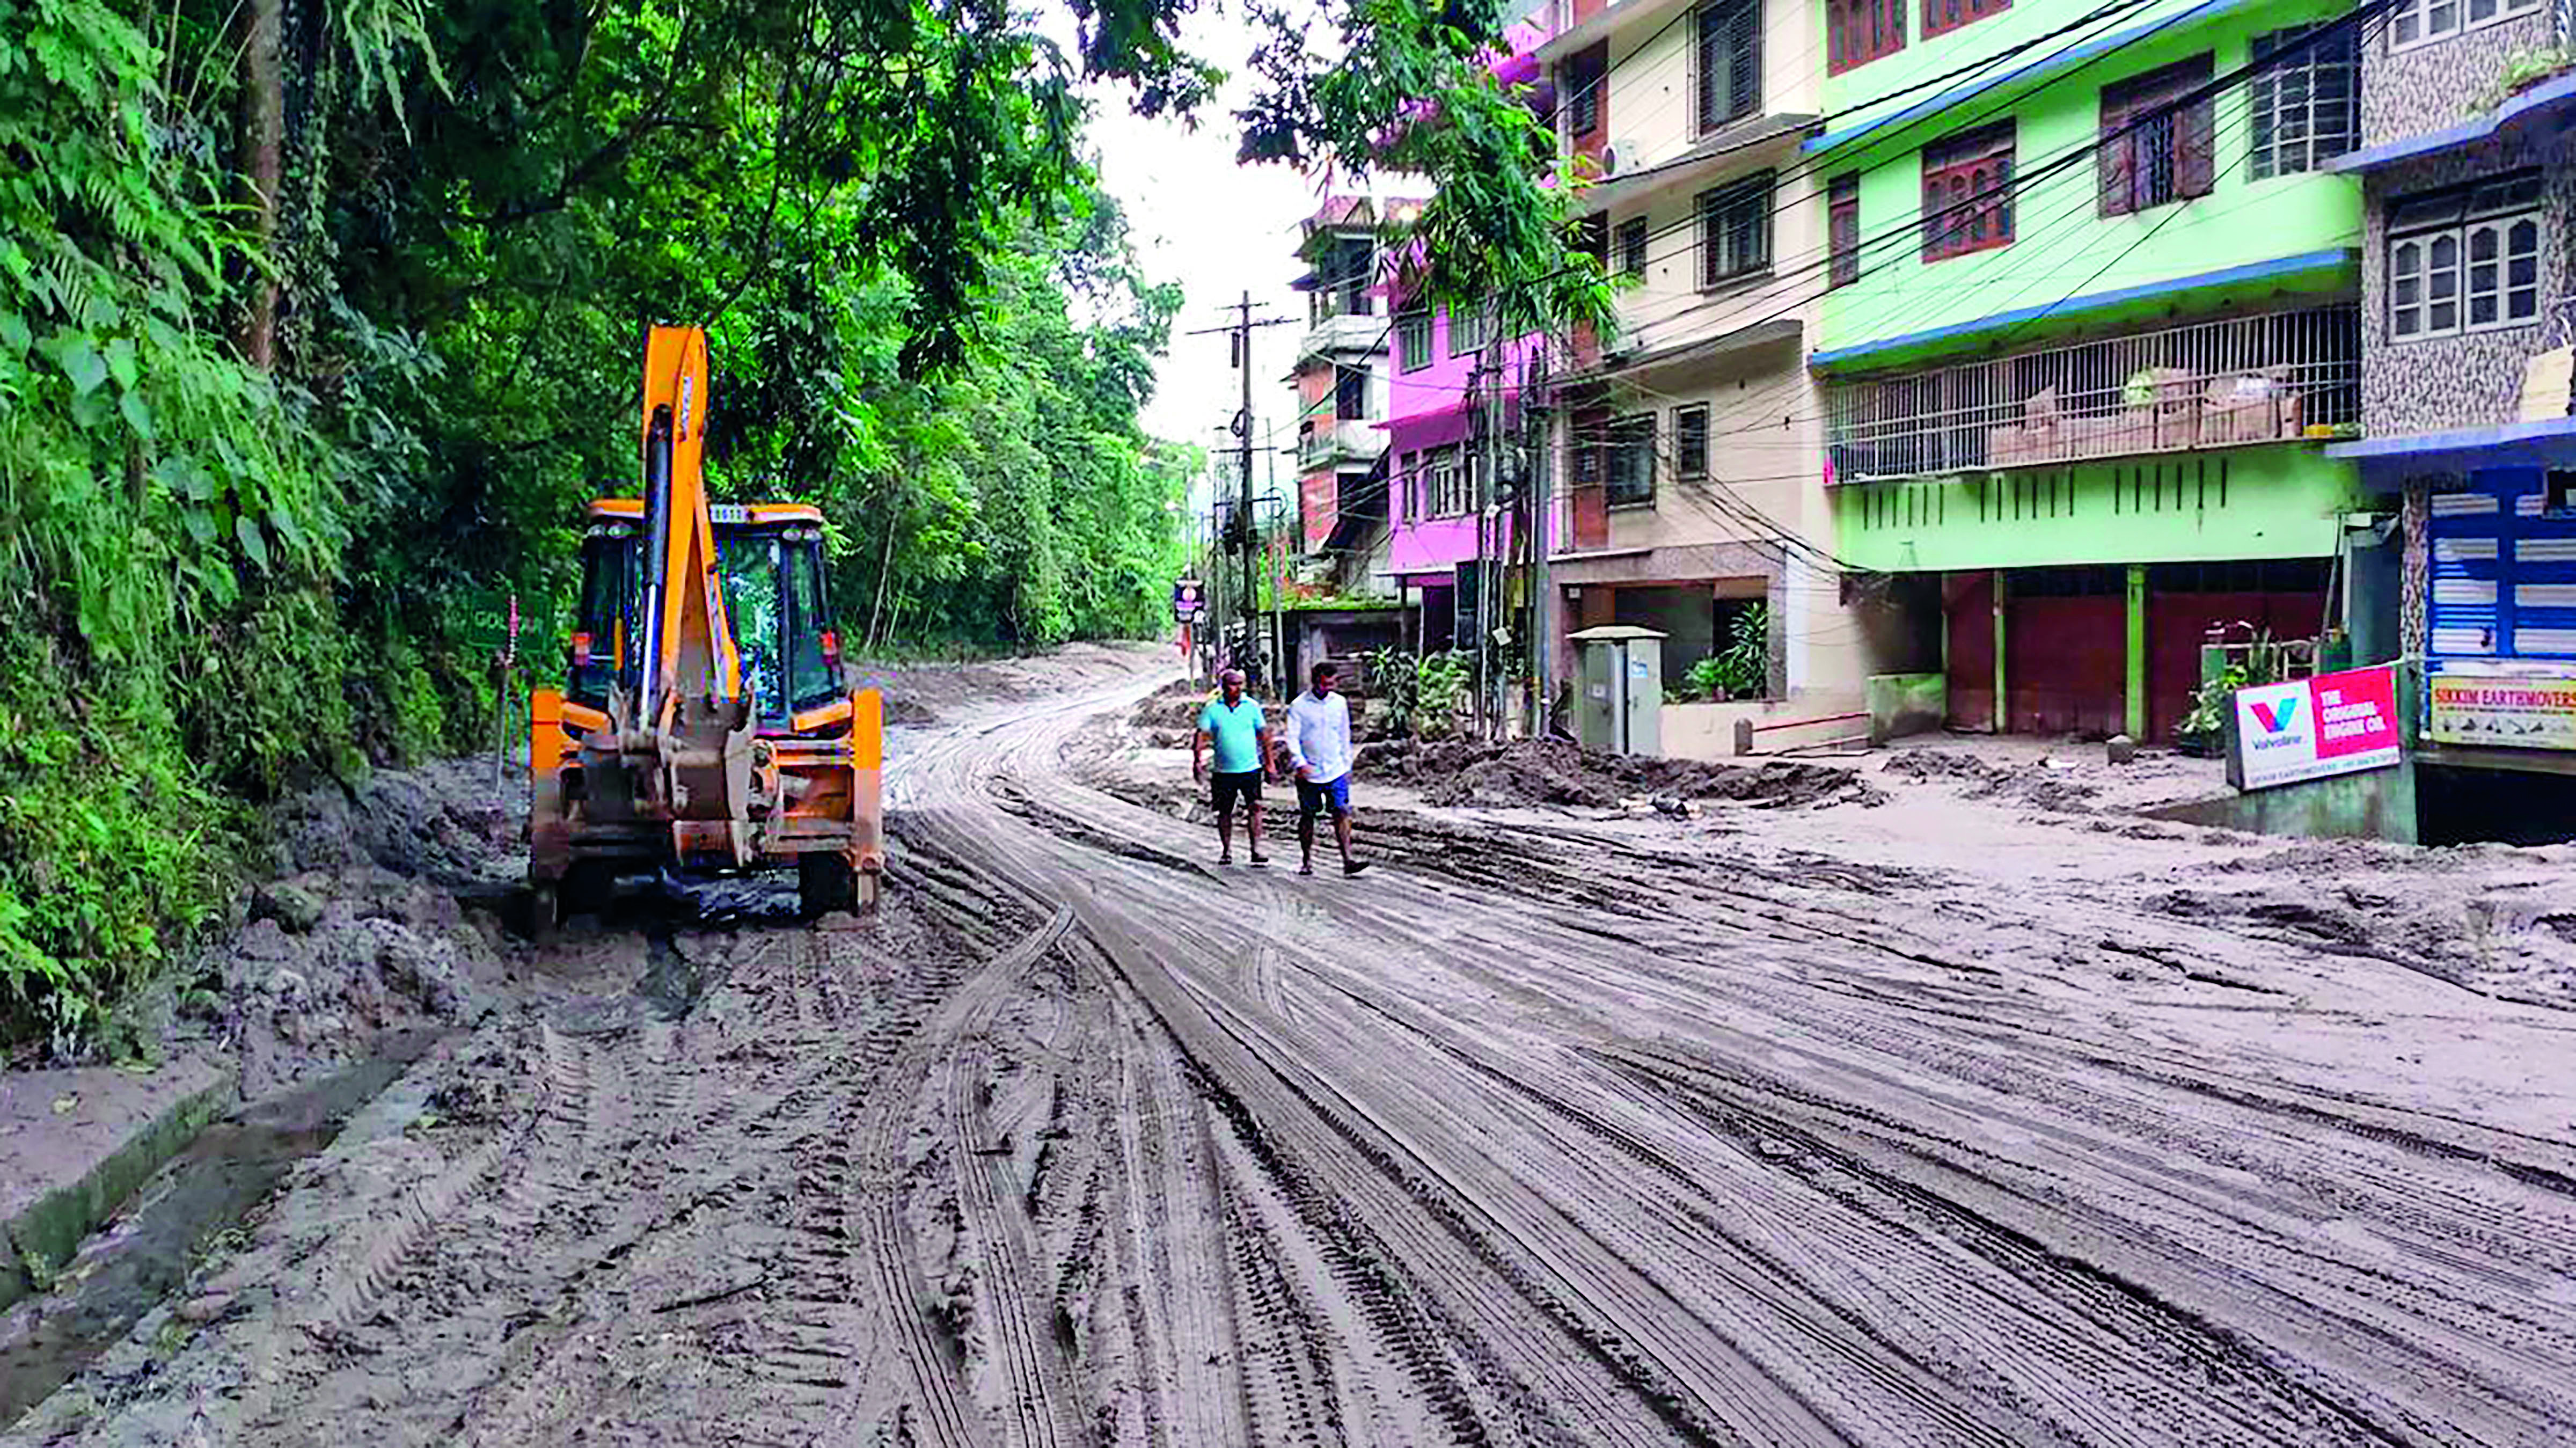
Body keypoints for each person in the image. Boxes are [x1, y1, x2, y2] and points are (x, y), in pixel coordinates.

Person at [1283, 661, 1368, 877]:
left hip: (1336, 768)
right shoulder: (1299, 706)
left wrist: (1347, 763)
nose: (1328, 688)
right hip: (1309, 769)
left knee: (1341, 811)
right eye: (1324, 684)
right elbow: (1292, 737)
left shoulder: (1339, 703)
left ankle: (1348, 859)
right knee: (1308, 815)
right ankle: (1307, 859)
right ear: (1314, 682)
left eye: (1331, 684)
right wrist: (1299, 762)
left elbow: (1344, 733)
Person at [1192, 669, 1272, 867]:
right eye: (1231, 684)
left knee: (1255, 807)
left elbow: (1264, 734)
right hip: (1223, 771)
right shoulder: (1212, 709)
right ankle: (1227, 850)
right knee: (1225, 811)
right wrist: (1197, 759)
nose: (1235, 688)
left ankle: (1256, 849)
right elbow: (1201, 734)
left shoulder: (1252, 707)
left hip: (1250, 768)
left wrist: (1269, 762)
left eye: (1239, 684)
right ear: (1223, 686)